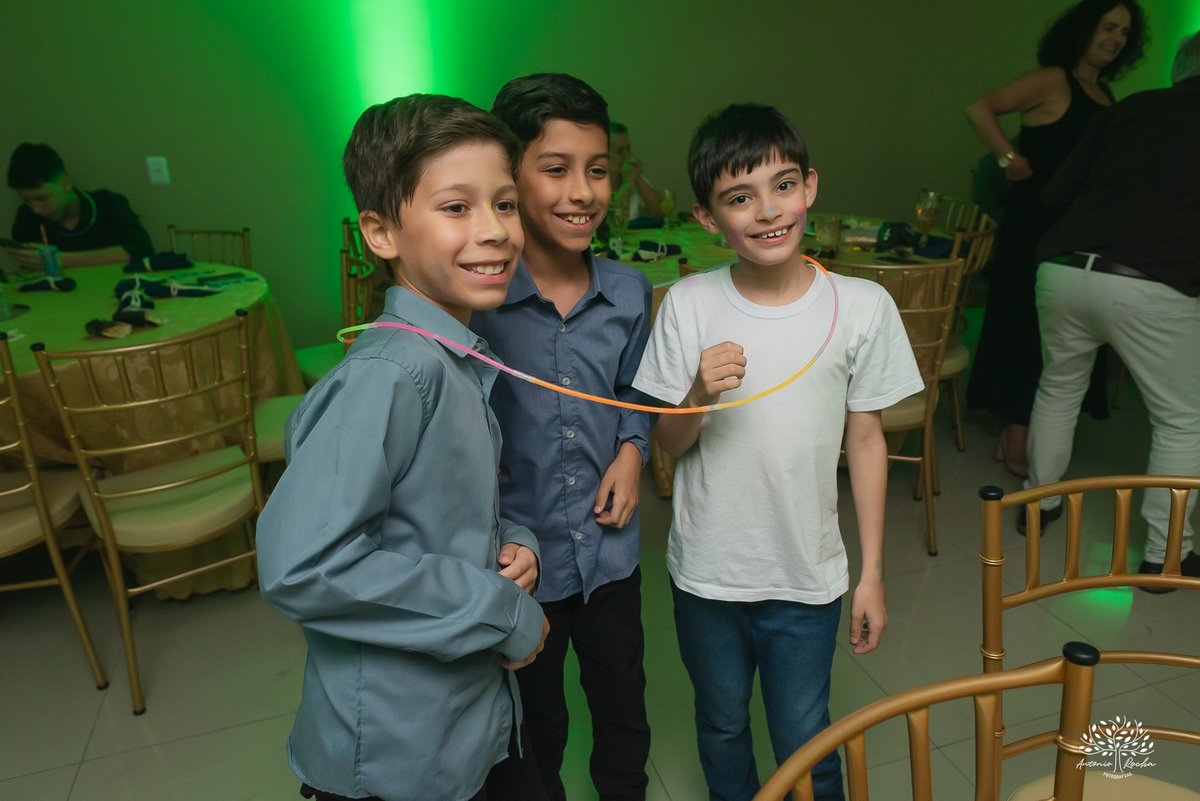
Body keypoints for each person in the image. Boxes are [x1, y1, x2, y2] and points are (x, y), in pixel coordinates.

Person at [256, 94, 551, 801]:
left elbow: (431, 507)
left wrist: (511, 536)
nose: (496, 231)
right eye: (456, 207)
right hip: (400, 757)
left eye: (505, 204)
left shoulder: (456, 358)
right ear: (382, 233)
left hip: (463, 728)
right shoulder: (394, 374)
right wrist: (500, 610)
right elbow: (303, 563)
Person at [633, 103, 924, 801]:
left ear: (810, 187)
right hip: (707, 572)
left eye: (783, 185)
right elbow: (665, 443)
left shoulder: (861, 305)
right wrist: (698, 391)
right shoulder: (688, 303)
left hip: (807, 573)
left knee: (805, 733)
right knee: (722, 721)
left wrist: (873, 571)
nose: (768, 210)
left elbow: (866, 437)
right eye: (740, 197)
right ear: (708, 217)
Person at [472, 73, 653, 801]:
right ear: (510, 176)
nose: (583, 191)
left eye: (598, 169)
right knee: (536, 726)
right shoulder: (479, 303)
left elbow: (636, 389)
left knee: (623, 712)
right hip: (524, 565)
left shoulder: (630, 292)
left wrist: (634, 450)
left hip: (610, 555)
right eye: (556, 169)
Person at [1023, 32, 1200, 587]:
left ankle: (1040, 508)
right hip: (1151, 284)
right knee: (1181, 419)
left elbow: (1055, 194)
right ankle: (1165, 557)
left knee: (1058, 388)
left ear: (1179, 68)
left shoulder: (1133, 109)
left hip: (1065, 270)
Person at [964, 0, 1146, 476]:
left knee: (1065, 332)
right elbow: (980, 108)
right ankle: (1018, 428)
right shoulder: (1052, 79)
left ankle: (1029, 429)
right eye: (1108, 27)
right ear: (1085, 29)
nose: (1115, 38)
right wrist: (1009, 159)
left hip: (1079, 228)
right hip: (1035, 222)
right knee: (1026, 322)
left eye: (1124, 33)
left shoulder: (1105, 94)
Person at [5, 143, 154, 268]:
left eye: (42, 199)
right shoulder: (26, 218)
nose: (36, 209)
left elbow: (141, 249)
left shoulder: (108, 204)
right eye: (26, 201)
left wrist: (60, 260)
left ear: (65, 183)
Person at [609, 122, 663, 221]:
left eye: (628, 149)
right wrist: (627, 187)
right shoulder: (592, 182)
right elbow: (608, 222)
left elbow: (660, 213)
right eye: (620, 151)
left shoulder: (632, 176)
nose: (627, 156)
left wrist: (637, 177)